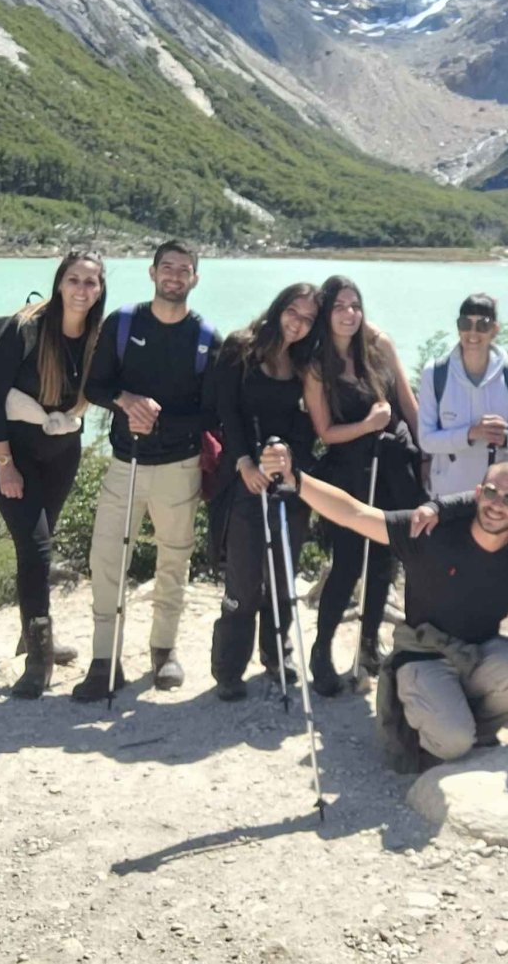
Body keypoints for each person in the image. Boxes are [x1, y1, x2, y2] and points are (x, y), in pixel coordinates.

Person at [259, 443, 508, 765]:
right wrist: (295, 477)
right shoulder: (428, 532)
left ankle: (468, 726)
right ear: (478, 493)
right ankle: (439, 725)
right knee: (453, 743)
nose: (497, 505)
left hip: (478, 652)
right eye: (492, 493)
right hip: (423, 654)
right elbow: (353, 512)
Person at [76, 239, 220, 700]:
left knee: (173, 559)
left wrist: (159, 418)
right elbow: (96, 387)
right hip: (125, 463)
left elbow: (212, 413)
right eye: (168, 267)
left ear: (195, 279)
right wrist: (127, 402)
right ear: (152, 272)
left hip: (180, 467)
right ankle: (104, 659)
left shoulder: (206, 339)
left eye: (184, 270)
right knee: (106, 559)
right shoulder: (122, 324)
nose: (175, 276)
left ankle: (164, 651)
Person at [0, 251, 106, 698]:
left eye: (91, 283)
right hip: (10, 449)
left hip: (61, 450)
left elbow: (106, 387)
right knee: (36, 546)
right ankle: (39, 659)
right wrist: (4, 464)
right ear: (59, 283)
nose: (82, 290)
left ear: (101, 289)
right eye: (74, 280)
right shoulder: (26, 328)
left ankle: (31, 633)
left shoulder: (96, 337)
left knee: (37, 543)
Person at [303, 275, 422, 696]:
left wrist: (429, 454)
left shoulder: (378, 348)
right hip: (349, 476)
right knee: (348, 563)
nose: (349, 313)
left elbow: (409, 405)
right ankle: (321, 651)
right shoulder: (318, 367)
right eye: (339, 306)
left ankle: (369, 644)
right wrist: (367, 425)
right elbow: (326, 432)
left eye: (355, 305)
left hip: (389, 472)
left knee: (383, 563)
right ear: (325, 312)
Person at [207, 282, 319, 701]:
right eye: (294, 311)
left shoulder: (307, 362)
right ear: (279, 308)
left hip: (287, 479)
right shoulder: (242, 347)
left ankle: (277, 654)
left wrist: (289, 460)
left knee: (283, 576)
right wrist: (244, 463)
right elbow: (226, 409)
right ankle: (229, 668)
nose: (298, 323)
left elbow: (307, 426)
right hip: (243, 478)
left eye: (308, 319)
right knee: (243, 578)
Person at [416, 292, 508, 498]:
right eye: (465, 323)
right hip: (447, 495)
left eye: (483, 325)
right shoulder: (435, 373)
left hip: (497, 498)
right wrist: (471, 433)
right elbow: (426, 440)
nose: (473, 333)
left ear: (495, 330)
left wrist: (505, 439)